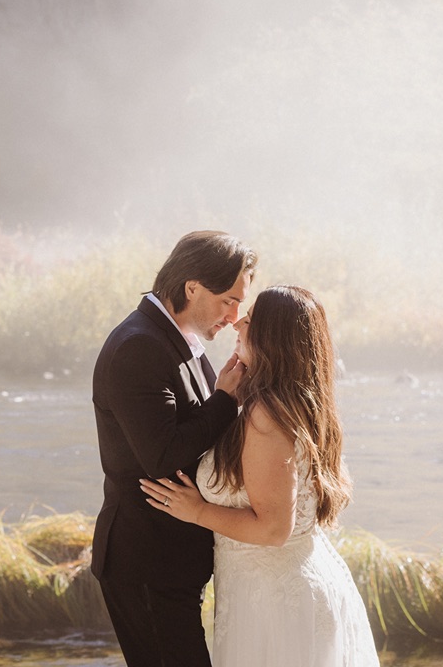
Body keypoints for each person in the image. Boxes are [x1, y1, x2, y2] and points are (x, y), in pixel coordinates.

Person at [139, 285, 379, 667]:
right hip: (281, 588)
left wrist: (197, 511)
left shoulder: (267, 415)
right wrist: (225, 398)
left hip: (276, 605)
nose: (237, 323)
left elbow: (272, 529)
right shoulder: (297, 403)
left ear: (273, 337)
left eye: (249, 319)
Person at [91, 230, 256, 667]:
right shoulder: (139, 346)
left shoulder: (180, 337)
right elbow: (162, 454)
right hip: (146, 561)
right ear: (192, 288)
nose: (235, 314)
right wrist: (227, 401)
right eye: (227, 300)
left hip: (172, 560)